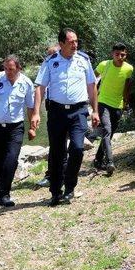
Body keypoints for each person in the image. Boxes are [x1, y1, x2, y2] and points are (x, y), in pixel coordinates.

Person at [32, 28, 100, 206]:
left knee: (77, 148)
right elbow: (39, 87)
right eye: (71, 42)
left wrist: (95, 110)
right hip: (56, 112)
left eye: (76, 41)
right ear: (61, 44)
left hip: (78, 111)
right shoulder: (50, 61)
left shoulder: (84, 60)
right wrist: (36, 112)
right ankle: (56, 191)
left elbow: (91, 85)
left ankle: (70, 187)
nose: (75, 45)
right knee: (57, 152)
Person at [0, 55, 36, 207]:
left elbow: (30, 107)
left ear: (19, 68)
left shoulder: (26, 83)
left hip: (15, 127)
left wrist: (32, 127)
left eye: (11, 69)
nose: (7, 72)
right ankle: (0, 189)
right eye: (5, 68)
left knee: (11, 158)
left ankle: (5, 193)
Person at [92, 42, 133, 175]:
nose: (120, 57)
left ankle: (98, 160)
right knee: (107, 131)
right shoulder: (104, 65)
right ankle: (110, 162)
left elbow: (127, 87)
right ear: (112, 54)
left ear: (125, 55)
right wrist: (92, 99)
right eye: (117, 54)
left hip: (118, 105)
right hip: (103, 102)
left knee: (108, 135)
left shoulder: (129, 69)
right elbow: (91, 79)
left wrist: (125, 103)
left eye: (123, 54)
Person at [36, 44, 61, 188]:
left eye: (53, 54)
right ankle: (50, 174)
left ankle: (59, 174)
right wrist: (36, 112)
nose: (50, 57)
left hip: (70, 108)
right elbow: (39, 87)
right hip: (52, 106)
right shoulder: (47, 66)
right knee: (55, 142)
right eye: (49, 55)